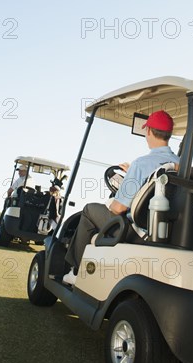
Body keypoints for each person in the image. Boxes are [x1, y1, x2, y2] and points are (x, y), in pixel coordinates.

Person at [63, 110, 179, 285]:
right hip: (163, 231)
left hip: (135, 231)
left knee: (89, 210)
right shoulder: (180, 164)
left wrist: (113, 202)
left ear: (148, 131)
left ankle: (77, 271)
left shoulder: (140, 164)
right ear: (169, 134)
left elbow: (119, 208)